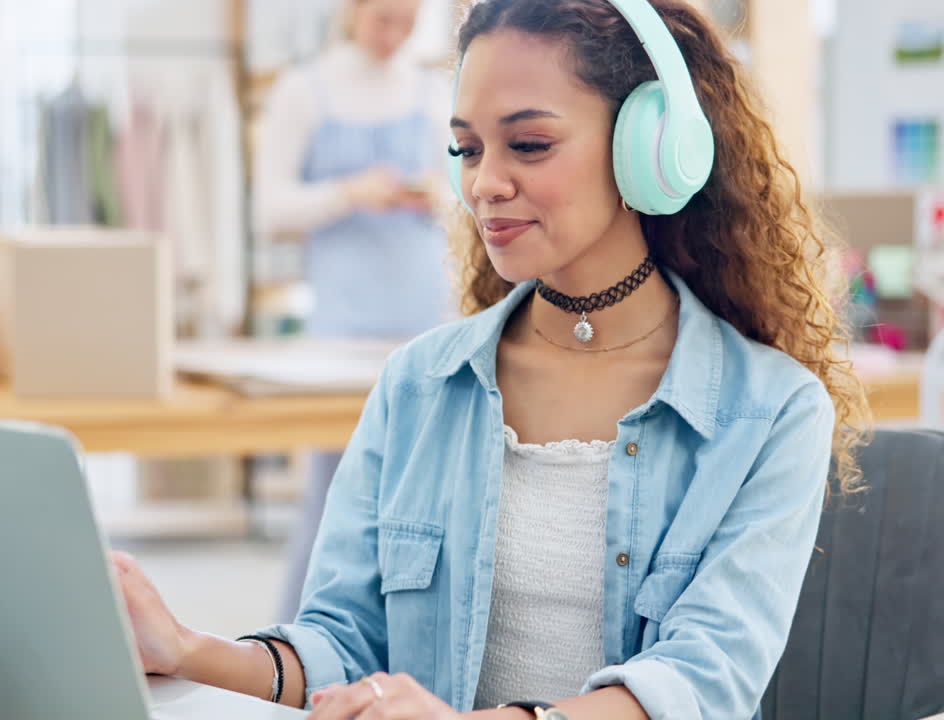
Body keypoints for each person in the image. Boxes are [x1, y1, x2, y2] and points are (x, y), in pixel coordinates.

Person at [113, 1, 870, 718]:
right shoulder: (419, 384)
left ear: (652, 148)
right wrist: (186, 649)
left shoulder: (771, 411)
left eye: (529, 145)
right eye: (466, 149)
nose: (483, 184)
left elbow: (700, 685)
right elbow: (341, 643)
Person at [254, 0, 455, 622]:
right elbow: (271, 209)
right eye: (384, 19)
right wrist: (348, 193)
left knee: (430, 492)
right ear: (352, 9)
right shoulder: (303, 90)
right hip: (340, 325)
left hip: (426, 313)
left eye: (408, 20)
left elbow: (465, 199)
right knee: (334, 496)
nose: (395, 35)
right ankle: (303, 642)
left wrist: (434, 197)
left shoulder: (432, 89)